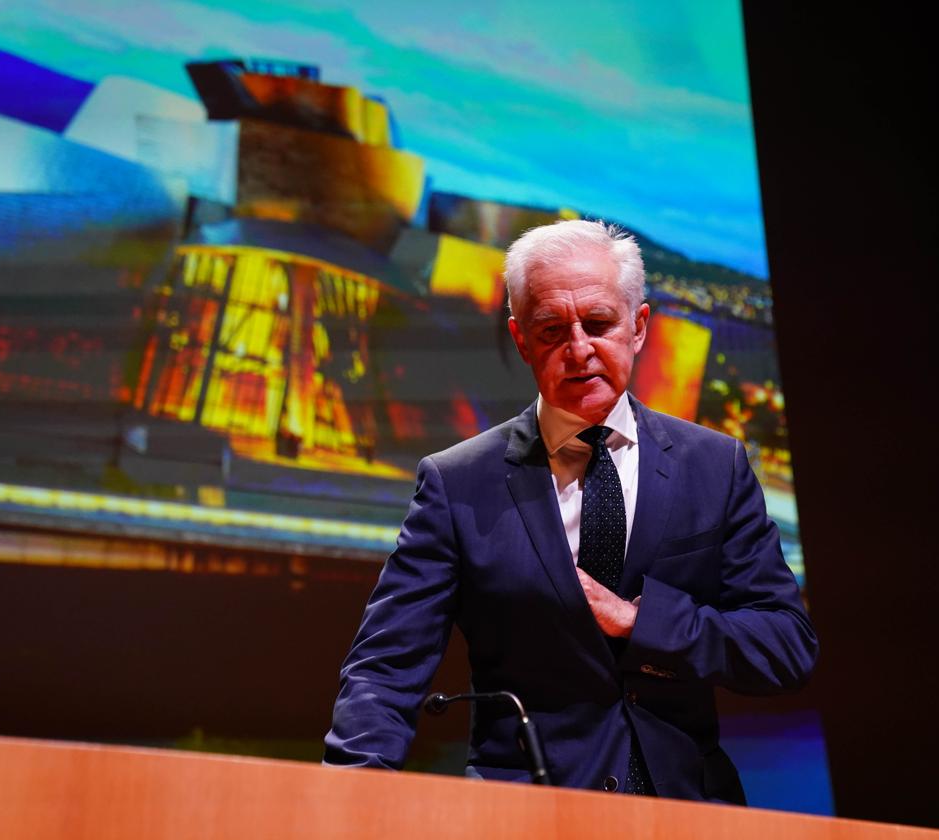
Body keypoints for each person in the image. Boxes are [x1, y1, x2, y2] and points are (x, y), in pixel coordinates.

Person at [322, 219, 818, 803]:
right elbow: (385, 668)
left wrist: (639, 621)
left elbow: (784, 646)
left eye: (599, 324)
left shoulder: (715, 466)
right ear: (521, 340)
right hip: (527, 813)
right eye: (552, 329)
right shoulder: (457, 483)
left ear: (638, 328)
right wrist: (350, 802)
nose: (578, 350)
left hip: (689, 809)